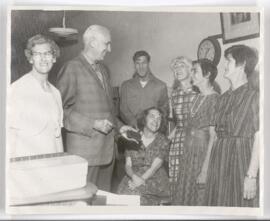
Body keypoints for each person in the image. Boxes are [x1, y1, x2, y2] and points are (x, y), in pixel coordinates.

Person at [56, 25, 133, 192]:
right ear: (92, 43)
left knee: (102, 202)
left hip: (107, 153)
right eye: (107, 44)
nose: (110, 49)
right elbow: (59, 111)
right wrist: (92, 124)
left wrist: (120, 128)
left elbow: (108, 110)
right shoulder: (72, 68)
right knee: (84, 204)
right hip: (86, 155)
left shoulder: (104, 70)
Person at [205, 45, 260, 207]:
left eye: (228, 61)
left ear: (242, 64)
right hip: (219, 160)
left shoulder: (255, 96)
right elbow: (214, 135)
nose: (224, 65)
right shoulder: (222, 99)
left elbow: (260, 136)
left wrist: (251, 175)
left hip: (242, 159)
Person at [7, 34, 63, 158]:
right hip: (27, 166)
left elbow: (57, 136)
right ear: (30, 58)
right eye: (37, 54)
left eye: (47, 53)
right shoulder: (17, 89)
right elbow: (10, 135)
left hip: (51, 164)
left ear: (53, 58)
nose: (43, 59)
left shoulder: (56, 93)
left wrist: (61, 164)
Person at [173, 59, 219, 206]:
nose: (191, 74)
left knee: (200, 197)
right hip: (188, 154)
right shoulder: (196, 97)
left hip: (203, 154)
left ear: (207, 74)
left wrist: (205, 170)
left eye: (195, 71)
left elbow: (213, 136)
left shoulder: (215, 99)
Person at [117, 107, 170, 205]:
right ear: (144, 119)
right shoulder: (132, 138)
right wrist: (134, 177)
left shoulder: (163, 141)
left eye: (159, 118)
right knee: (124, 200)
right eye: (152, 117)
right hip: (132, 175)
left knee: (139, 198)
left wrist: (139, 181)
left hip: (153, 179)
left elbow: (153, 169)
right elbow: (128, 165)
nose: (156, 121)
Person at [168, 56, 199, 201]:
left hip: (195, 139)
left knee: (193, 177)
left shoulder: (198, 92)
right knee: (176, 178)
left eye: (181, 66)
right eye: (175, 68)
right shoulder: (173, 94)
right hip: (178, 140)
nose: (177, 70)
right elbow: (176, 121)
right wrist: (171, 135)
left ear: (190, 70)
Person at [120, 50, 169, 130]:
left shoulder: (161, 86)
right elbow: (123, 110)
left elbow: (164, 112)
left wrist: (153, 125)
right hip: (133, 130)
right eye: (138, 63)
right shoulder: (126, 86)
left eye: (144, 63)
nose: (141, 66)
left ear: (148, 64)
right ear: (134, 65)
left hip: (153, 132)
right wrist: (134, 124)